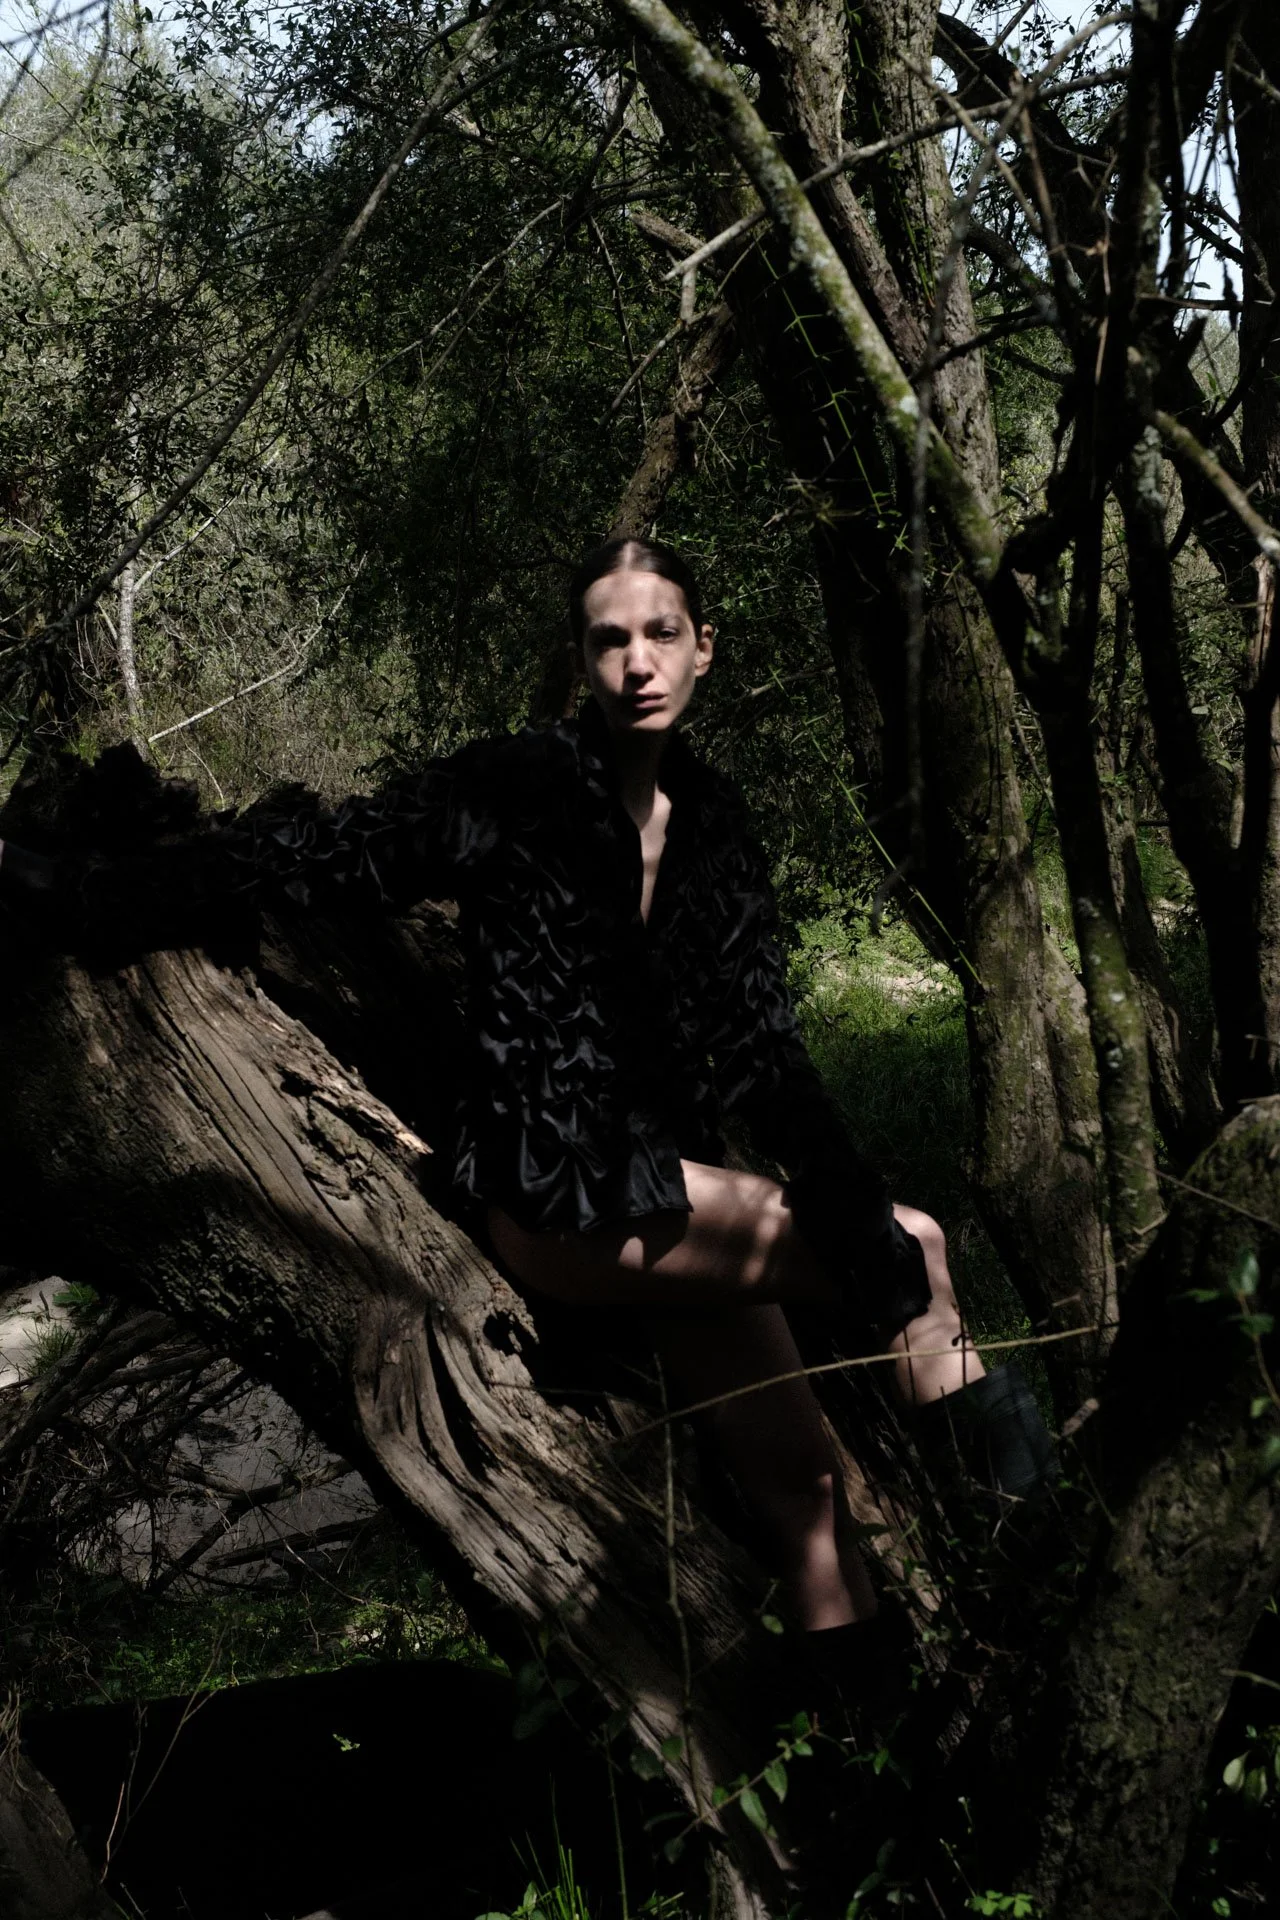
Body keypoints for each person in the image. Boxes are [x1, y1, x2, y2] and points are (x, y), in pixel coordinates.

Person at [0, 537, 1054, 1680]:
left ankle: (868, 1739)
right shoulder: (517, 788)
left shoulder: (714, 824)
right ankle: (1044, 1581)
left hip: (668, 1201)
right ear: (581, 660)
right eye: (610, 640)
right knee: (915, 1249)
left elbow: (768, 1058)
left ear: (703, 648)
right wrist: (95, 895)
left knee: (801, 1494)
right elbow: (322, 856)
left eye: (660, 634)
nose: (637, 663)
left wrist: (837, 1187)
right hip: (562, 1196)